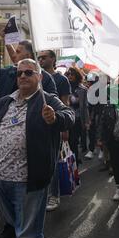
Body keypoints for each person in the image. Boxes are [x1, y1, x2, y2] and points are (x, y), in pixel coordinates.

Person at [0, 59, 74, 238]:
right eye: (19, 73)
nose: (23, 76)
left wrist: (54, 118)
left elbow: (69, 116)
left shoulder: (47, 100)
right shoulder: (4, 101)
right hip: (0, 178)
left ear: (39, 77)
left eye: (28, 72)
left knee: (28, 234)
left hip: (28, 181)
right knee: (15, 224)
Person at [0, 40, 57, 110]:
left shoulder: (46, 79)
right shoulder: (8, 72)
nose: (22, 77)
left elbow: (53, 106)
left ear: (28, 56)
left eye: (18, 52)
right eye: (19, 74)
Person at [37, 50, 71, 212]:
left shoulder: (61, 79)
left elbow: (65, 103)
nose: (41, 60)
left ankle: (54, 195)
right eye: (39, 58)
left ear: (53, 59)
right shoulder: (37, 76)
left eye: (44, 57)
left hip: (55, 124)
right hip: (38, 124)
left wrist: (64, 128)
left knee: (54, 160)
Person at [97, 76, 119, 212]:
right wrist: (100, 138)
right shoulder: (108, 104)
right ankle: (118, 187)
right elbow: (102, 122)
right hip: (112, 140)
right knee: (115, 166)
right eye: (118, 85)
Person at [66, 66, 90, 164]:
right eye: (68, 74)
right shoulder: (64, 86)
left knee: (75, 140)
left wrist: (87, 121)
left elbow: (85, 106)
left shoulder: (82, 89)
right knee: (69, 140)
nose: (70, 76)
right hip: (67, 117)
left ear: (77, 75)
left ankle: (75, 158)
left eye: (72, 74)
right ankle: (73, 158)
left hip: (78, 118)